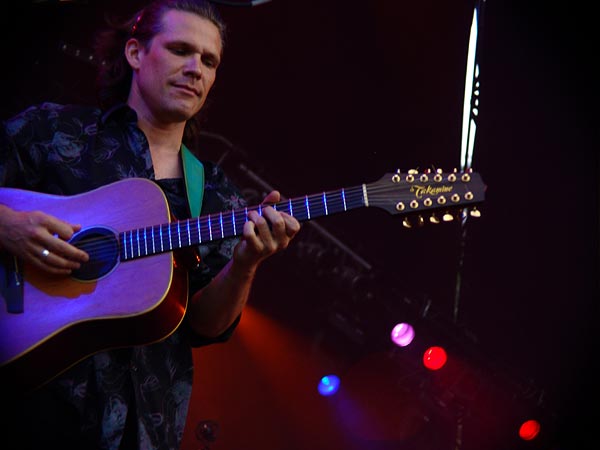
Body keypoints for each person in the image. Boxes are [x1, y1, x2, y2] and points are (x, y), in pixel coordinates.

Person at [0, 0, 300, 448]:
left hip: (144, 429)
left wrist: (245, 264)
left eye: (210, 60)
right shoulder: (52, 131)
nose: (196, 69)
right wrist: (7, 226)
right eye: (181, 50)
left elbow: (205, 324)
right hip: (29, 408)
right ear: (136, 53)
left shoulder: (215, 194)